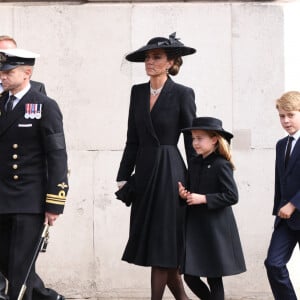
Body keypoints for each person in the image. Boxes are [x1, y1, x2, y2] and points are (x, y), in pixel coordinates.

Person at [116, 32, 196, 300]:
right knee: (156, 242)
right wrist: (124, 175)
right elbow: (132, 138)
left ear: (171, 61)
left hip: (170, 173)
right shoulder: (137, 92)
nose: (150, 62)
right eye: (147, 58)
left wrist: (194, 181)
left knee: (162, 243)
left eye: (157, 57)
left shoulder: (183, 94)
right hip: (145, 173)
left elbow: (191, 139)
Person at [0, 48, 68, 300]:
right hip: (2, 196)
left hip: (28, 199)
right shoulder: (0, 104)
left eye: (9, 72)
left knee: (20, 268)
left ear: (27, 73)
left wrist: (55, 203)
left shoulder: (45, 106)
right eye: (1, 72)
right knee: (7, 263)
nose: (3, 76)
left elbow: (58, 156)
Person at [179, 117, 246, 300]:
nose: (195, 143)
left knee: (213, 277)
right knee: (190, 275)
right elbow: (192, 190)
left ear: (214, 139)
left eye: (200, 138)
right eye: (193, 138)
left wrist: (204, 199)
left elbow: (232, 196)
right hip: (195, 227)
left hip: (215, 228)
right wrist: (185, 194)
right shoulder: (194, 163)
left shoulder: (221, 164)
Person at [264, 91, 300, 299]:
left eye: (291, 115)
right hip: (285, 219)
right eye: (281, 116)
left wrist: (294, 204)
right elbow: (281, 181)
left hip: (294, 209)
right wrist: (280, 209)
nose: (285, 121)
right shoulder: (281, 145)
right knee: (274, 264)